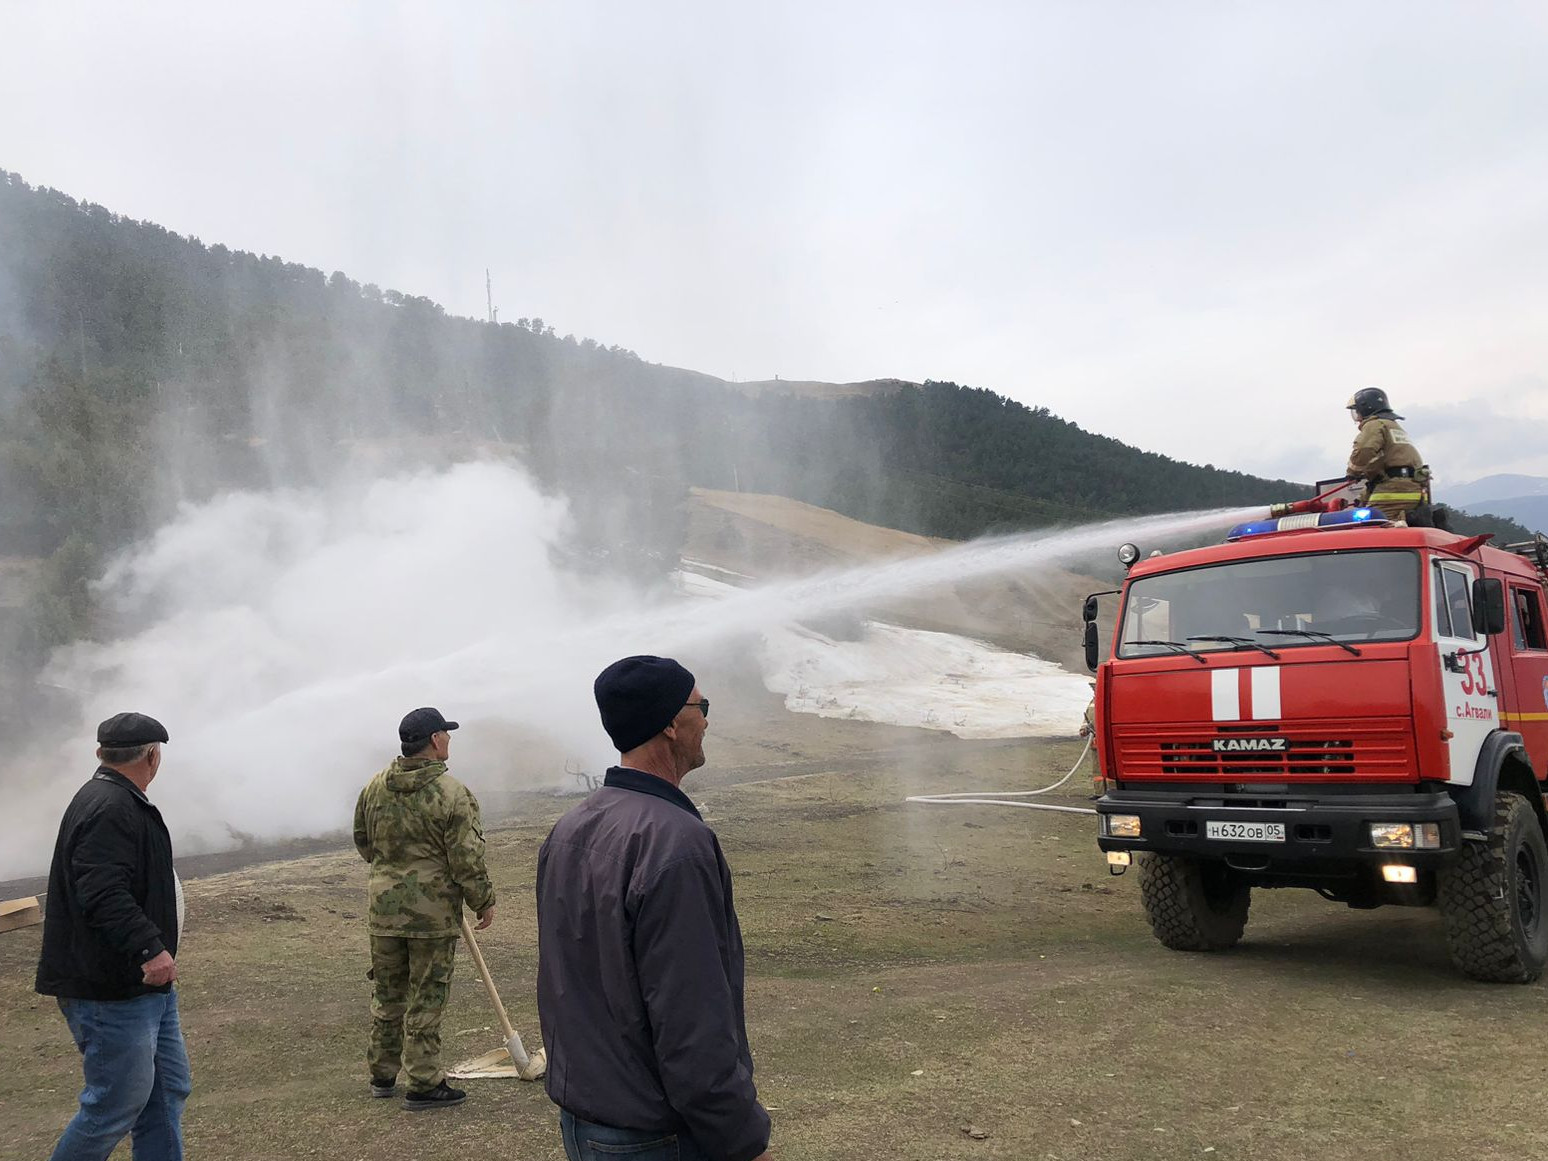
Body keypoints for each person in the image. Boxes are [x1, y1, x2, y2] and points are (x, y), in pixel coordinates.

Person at [536, 657, 773, 1161]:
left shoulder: (571, 828)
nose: (706, 720)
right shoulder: (676, 844)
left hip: (587, 1119)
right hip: (654, 1135)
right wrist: (743, 1140)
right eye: (699, 706)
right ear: (670, 722)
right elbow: (691, 1023)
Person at [35, 712, 192, 1161]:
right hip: (112, 989)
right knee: (114, 1104)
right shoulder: (110, 807)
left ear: (100, 754)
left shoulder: (115, 799)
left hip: (143, 987)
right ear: (152, 756)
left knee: (165, 1093)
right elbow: (102, 893)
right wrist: (150, 948)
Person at [353, 707, 495, 1111]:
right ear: (435, 740)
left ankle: (382, 1073)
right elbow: (466, 858)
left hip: (384, 911)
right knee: (426, 996)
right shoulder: (452, 793)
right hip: (431, 915)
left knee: (388, 993)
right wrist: (482, 900)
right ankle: (423, 1082)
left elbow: (363, 842)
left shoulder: (374, 787)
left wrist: (392, 871)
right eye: (446, 734)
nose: (449, 740)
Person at [1345, 387, 1428, 525]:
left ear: (1366, 408)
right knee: (1395, 527)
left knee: (1373, 526)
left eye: (1357, 411)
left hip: (1393, 490)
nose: (1357, 416)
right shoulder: (1393, 426)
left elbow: (1364, 450)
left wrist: (1353, 472)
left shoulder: (1374, 424)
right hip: (1412, 488)